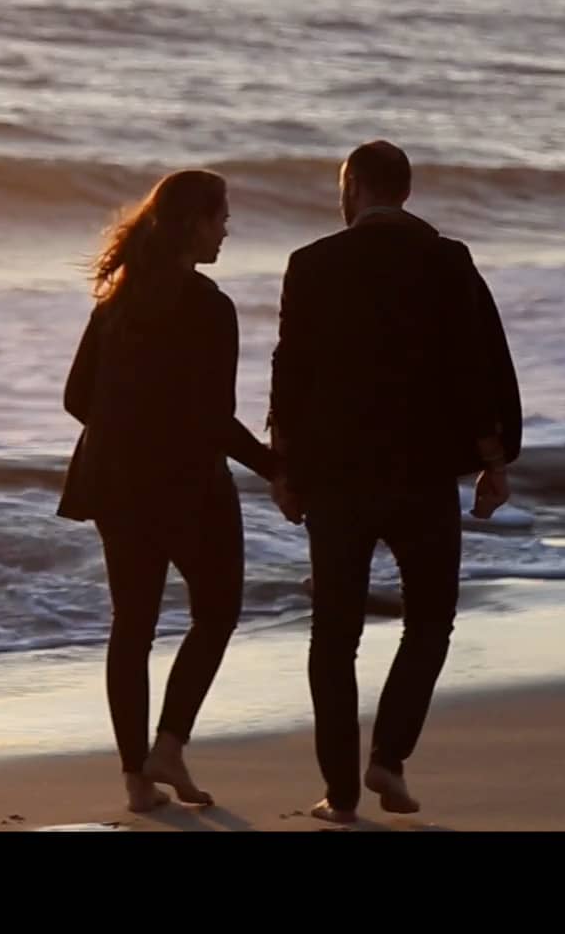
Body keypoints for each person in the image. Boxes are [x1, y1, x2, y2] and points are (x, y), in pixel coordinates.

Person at [268, 140, 521, 823]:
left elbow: (289, 374)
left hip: (337, 480)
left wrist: (284, 468)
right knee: (431, 621)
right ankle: (389, 756)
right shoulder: (447, 261)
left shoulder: (311, 264)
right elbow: (477, 368)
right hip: (422, 477)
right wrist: (496, 459)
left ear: (352, 188)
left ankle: (340, 794)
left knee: (334, 634)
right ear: (404, 192)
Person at [58, 168, 279, 813]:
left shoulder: (115, 304)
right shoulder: (210, 306)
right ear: (191, 224)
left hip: (114, 482)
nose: (227, 230)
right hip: (186, 486)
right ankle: (170, 744)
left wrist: (130, 426)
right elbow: (214, 417)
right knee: (217, 613)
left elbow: (77, 398)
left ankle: (136, 778)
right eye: (220, 218)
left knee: (132, 625)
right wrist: (275, 469)